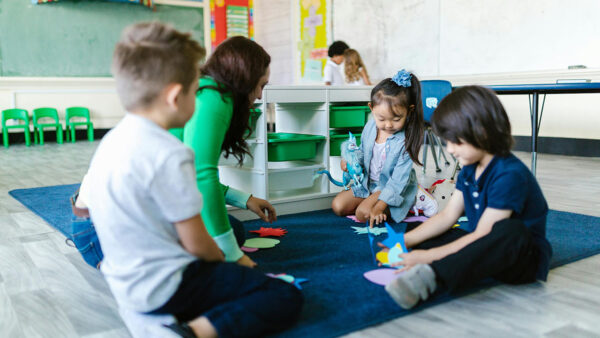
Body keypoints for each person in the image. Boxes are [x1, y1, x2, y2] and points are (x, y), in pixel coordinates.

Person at [86, 22, 302, 338]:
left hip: (124, 285)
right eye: (195, 89)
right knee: (282, 296)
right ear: (176, 96)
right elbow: (198, 243)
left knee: (232, 237)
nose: (201, 94)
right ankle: (189, 332)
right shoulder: (171, 153)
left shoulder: (114, 140)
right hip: (164, 286)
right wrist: (228, 260)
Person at [384, 86, 552, 310]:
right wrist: (404, 242)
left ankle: (432, 275)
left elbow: (485, 234)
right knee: (429, 233)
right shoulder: (469, 168)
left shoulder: (509, 174)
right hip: (482, 246)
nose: (450, 150)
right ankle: (444, 260)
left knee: (511, 231)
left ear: (482, 132)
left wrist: (429, 257)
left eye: (456, 142)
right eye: (446, 142)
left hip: (518, 259)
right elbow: (447, 216)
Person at [179, 36, 276, 267]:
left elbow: (190, 174)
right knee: (225, 240)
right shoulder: (214, 97)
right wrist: (234, 256)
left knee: (233, 230)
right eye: (261, 85)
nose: (261, 95)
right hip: (113, 223)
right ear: (244, 76)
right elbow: (201, 175)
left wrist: (245, 200)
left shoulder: (208, 90)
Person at [331, 69, 431, 227]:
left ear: (409, 112)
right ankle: (370, 201)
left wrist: (379, 207)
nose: (388, 125)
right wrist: (349, 160)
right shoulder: (370, 126)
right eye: (381, 118)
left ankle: (411, 200)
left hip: (390, 187)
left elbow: (397, 182)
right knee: (338, 206)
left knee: (362, 214)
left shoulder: (405, 141)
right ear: (371, 108)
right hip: (368, 185)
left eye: (396, 119)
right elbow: (362, 152)